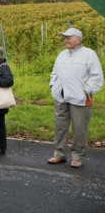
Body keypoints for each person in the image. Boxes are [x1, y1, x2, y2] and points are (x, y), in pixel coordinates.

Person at [47, 28, 103, 168]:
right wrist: (53, 85)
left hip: (80, 98)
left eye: (69, 37)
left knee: (79, 128)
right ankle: (59, 154)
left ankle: (77, 156)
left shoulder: (89, 54)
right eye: (64, 37)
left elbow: (96, 76)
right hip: (61, 97)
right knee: (60, 127)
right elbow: (54, 72)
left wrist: (87, 90)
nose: (66, 40)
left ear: (78, 39)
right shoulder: (62, 54)